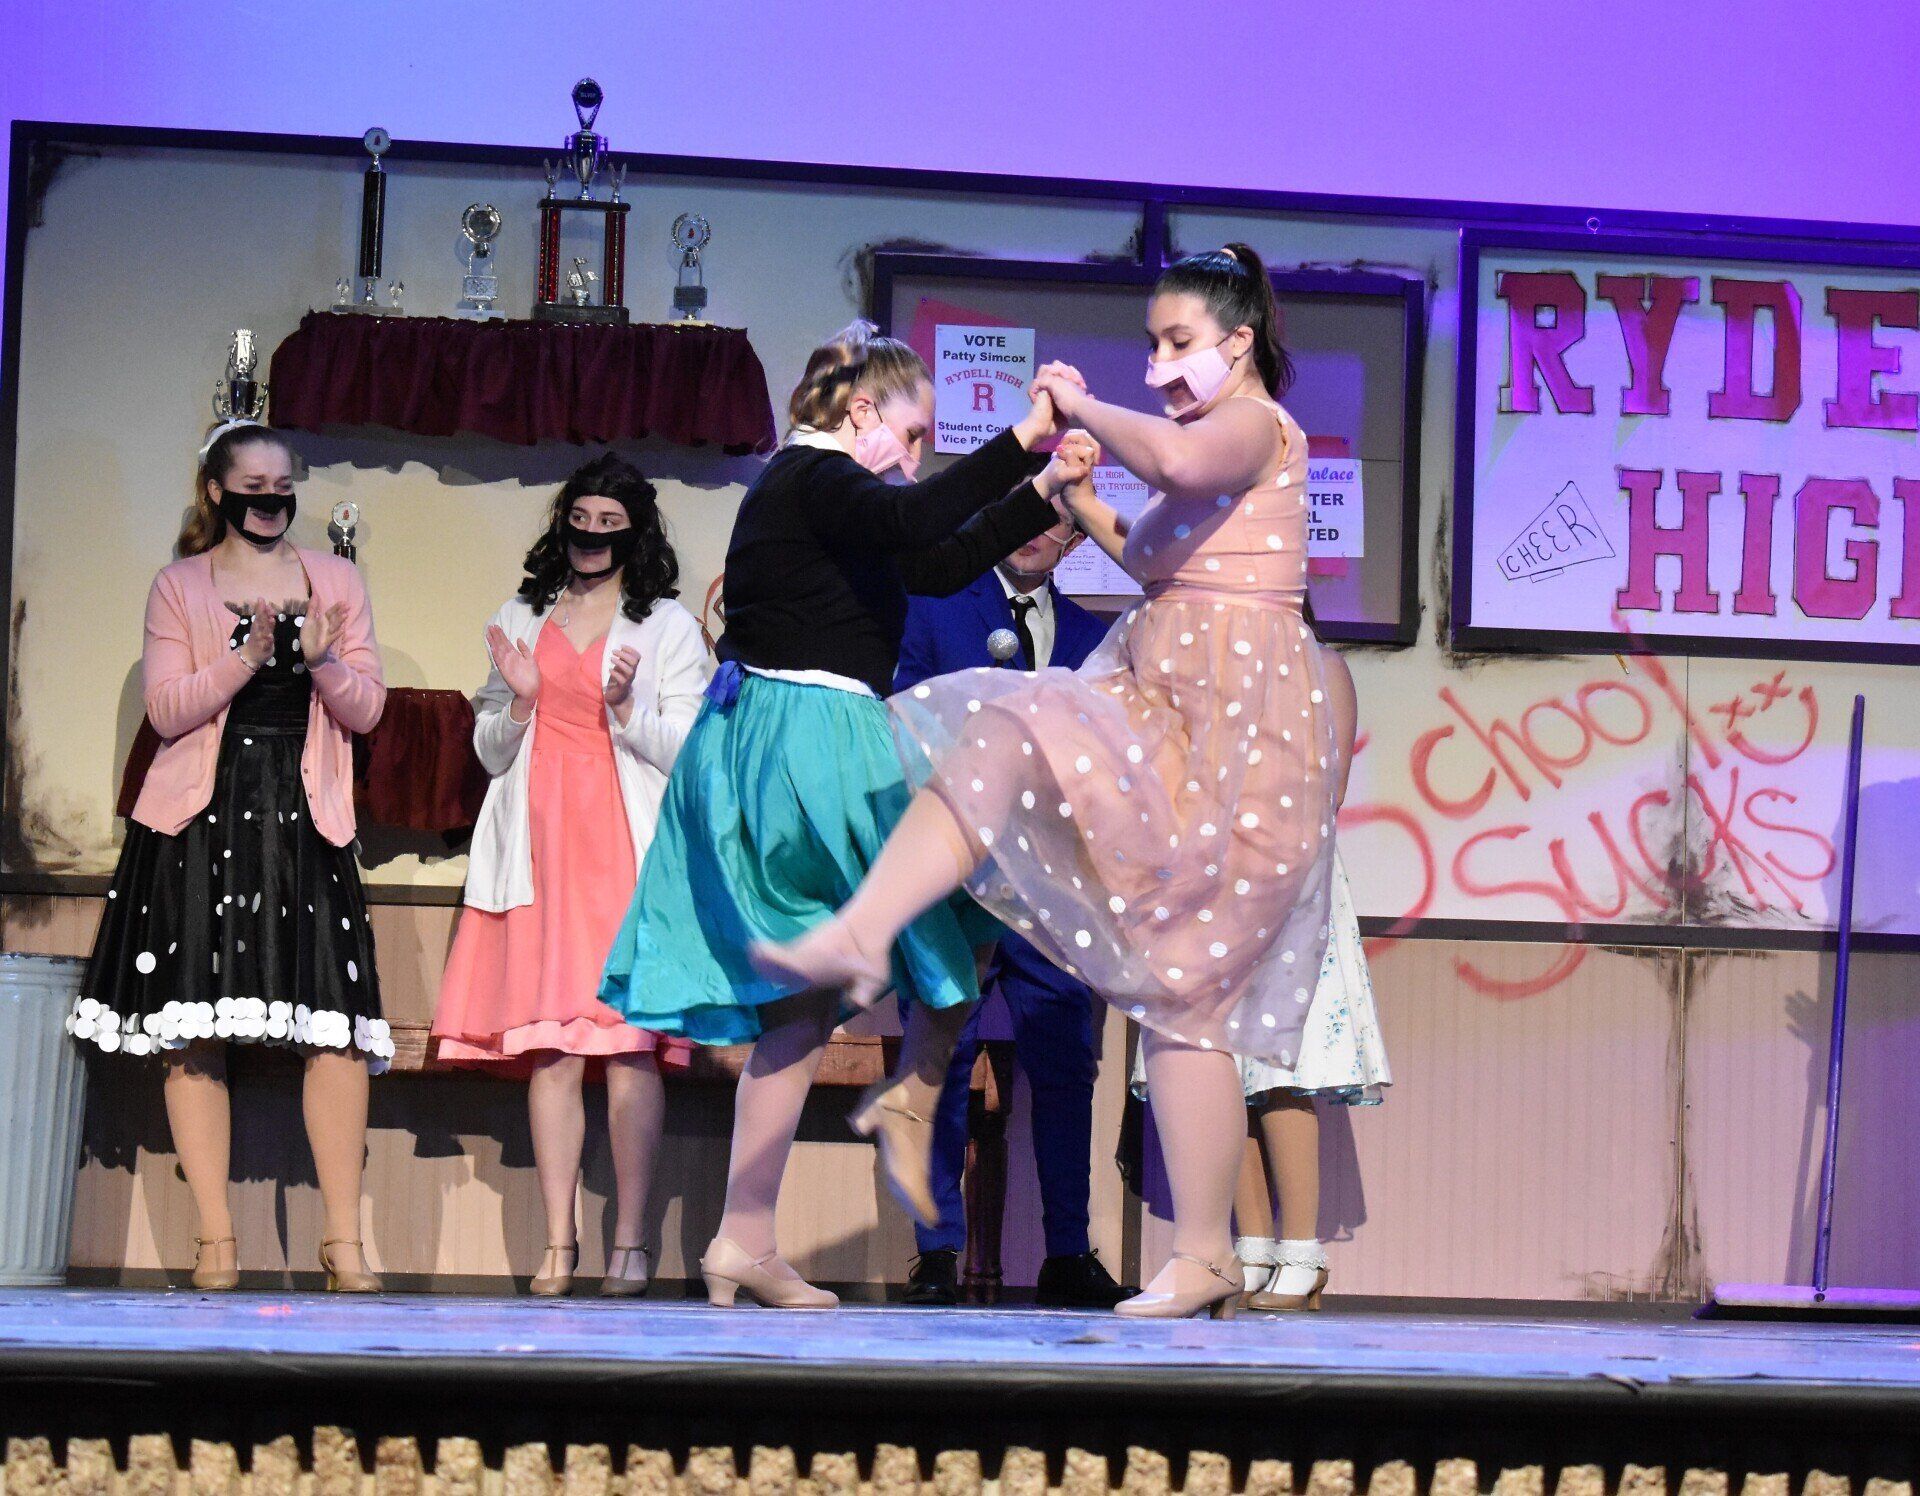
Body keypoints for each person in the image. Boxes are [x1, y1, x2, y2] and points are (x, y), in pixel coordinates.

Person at [752, 245, 1343, 1321]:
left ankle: (1205, 1253)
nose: (1159, 366)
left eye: (1178, 343)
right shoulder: (1210, 447)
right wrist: (1071, 494)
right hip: (1165, 695)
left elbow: (1176, 461)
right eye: (1150, 345)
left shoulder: (1254, 427)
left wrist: (1082, 405)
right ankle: (865, 935)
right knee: (1010, 744)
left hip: (1231, 724)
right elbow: (1150, 553)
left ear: (1240, 341)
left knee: (1184, 987)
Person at [599, 320, 1090, 1309]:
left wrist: (1040, 491)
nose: (913, 459)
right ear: (861, 409)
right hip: (811, 738)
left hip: (789, 737)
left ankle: (743, 1236)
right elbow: (917, 523)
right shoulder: (810, 475)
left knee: (806, 1011)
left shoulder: (831, 502)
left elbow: (938, 561)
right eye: (910, 436)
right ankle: (910, 1099)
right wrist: (1025, 435)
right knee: (962, 917)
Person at [68, 418, 391, 1293]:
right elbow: (169, 710)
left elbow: (366, 711)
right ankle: (215, 1241)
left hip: (305, 819)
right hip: (199, 824)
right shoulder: (179, 585)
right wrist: (245, 657)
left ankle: (343, 1244)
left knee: (334, 1029)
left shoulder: (336, 581)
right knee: (196, 1027)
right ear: (217, 492)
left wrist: (321, 664)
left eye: (282, 488)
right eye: (252, 489)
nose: (270, 503)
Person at [431, 453, 708, 1298]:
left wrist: (626, 708)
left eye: (608, 525)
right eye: (579, 521)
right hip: (539, 851)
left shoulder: (667, 627)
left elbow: (691, 751)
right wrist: (519, 700)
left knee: (628, 1050)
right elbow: (488, 751)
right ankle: (559, 1243)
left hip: (624, 852)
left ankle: (630, 1242)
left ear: (635, 535)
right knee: (550, 1049)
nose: (590, 538)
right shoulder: (521, 615)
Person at [894, 522, 1129, 1308]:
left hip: (1052, 884)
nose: (1036, 531)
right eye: (1023, 511)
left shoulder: (1096, 636)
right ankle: (936, 1253)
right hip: (952, 868)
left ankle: (1067, 1252)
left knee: (1066, 1063)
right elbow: (901, 718)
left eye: (1055, 516)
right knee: (939, 1055)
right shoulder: (933, 607)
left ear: (1074, 537)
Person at [1125, 646, 1392, 1310]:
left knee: (1280, 1071)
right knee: (1222, 1068)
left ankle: (1303, 1251)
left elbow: (1327, 789)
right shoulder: (1199, 663)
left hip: (1283, 876)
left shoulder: (1320, 665)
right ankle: (1251, 1248)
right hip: (1205, 879)